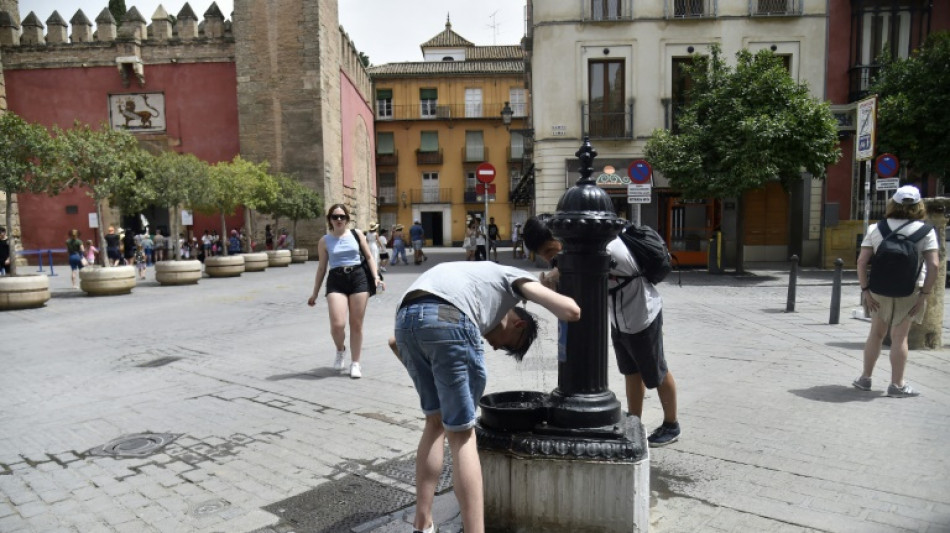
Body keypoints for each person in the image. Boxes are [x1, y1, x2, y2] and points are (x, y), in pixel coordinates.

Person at [394, 261, 581, 533]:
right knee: (462, 436)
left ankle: (422, 525)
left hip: (404, 319)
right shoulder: (513, 276)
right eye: (507, 344)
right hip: (449, 318)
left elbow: (394, 343)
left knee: (434, 423)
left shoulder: (480, 280)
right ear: (518, 323)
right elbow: (571, 311)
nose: (494, 347)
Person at [523, 215, 681, 447]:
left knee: (656, 371)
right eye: (542, 254)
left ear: (560, 236)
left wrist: (555, 278)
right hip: (619, 318)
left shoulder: (603, 247)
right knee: (631, 371)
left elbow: (585, 272)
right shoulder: (580, 249)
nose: (548, 258)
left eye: (549, 250)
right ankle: (635, 421)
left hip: (642, 315)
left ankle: (671, 424)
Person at [854, 185, 939, 398]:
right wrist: (924, 295)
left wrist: (865, 290)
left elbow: (861, 262)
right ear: (919, 205)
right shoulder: (926, 231)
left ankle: (865, 379)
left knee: (876, 334)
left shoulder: (876, 228)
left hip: (878, 290)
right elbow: (934, 265)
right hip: (910, 291)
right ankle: (897, 385)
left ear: (893, 203)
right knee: (900, 337)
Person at [307, 204, 382, 379]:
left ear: (347, 219)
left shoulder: (357, 234)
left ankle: (355, 363)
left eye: (342, 216)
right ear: (330, 220)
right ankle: (340, 350)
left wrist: (376, 277)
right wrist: (315, 293)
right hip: (336, 280)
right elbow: (321, 268)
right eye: (335, 217)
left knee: (356, 324)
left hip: (358, 278)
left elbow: (369, 257)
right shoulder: (324, 241)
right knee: (337, 325)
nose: (339, 219)